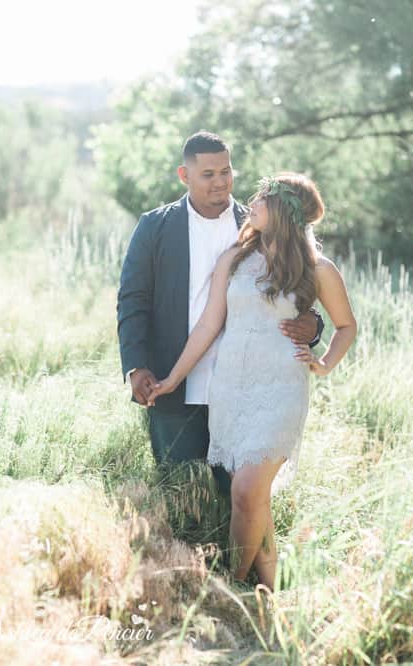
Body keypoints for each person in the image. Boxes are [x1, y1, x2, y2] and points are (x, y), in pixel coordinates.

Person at [145, 172, 357, 590]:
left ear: (284, 210)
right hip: (232, 389)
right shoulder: (235, 259)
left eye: (264, 197)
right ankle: (267, 593)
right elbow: (208, 326)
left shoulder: (317, 269)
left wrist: (326, 361)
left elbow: (346, 326)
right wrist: (172, 379)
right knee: (255, 501)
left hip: (281, 390)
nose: (253, 201)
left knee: (244, 493)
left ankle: (228, 590)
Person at [117, 132, 322, 496]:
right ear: (185, 175)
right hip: (172, 380)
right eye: (208, 174)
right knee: (179, 492)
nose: (220, 182)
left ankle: (238, 555)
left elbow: (301, 286)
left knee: (240, 498)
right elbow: (133, 301)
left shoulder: (259, 224)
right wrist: (137, 366)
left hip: (246, 385)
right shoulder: (155, 227)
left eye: (226, 171)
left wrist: (314, 325)